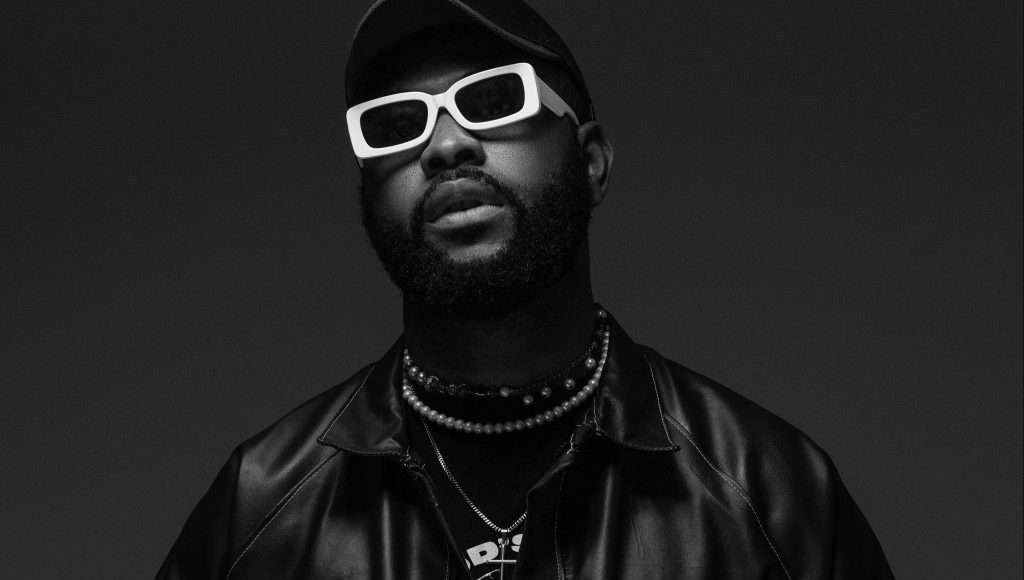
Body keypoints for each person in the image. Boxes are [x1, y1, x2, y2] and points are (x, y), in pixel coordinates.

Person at [156, 0, 895, 578]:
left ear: (592, 162)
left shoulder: (767, 491)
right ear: (366, 196)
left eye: (491, 101)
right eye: (396, 125)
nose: (445, 144)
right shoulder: (261, 507)